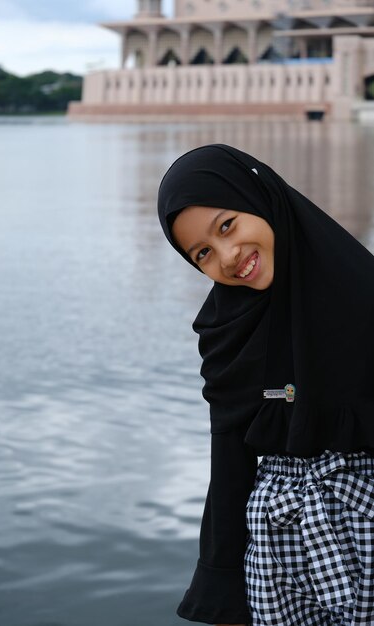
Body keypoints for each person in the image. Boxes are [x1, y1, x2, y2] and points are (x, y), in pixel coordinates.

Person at [156, 144, 374, 626]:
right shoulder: (225, 333)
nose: (229, 257)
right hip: (275, 550)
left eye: (227, 225)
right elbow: (230, 455)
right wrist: (219, 576)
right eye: (204, 253)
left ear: (259, 196)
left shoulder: (363, 295)